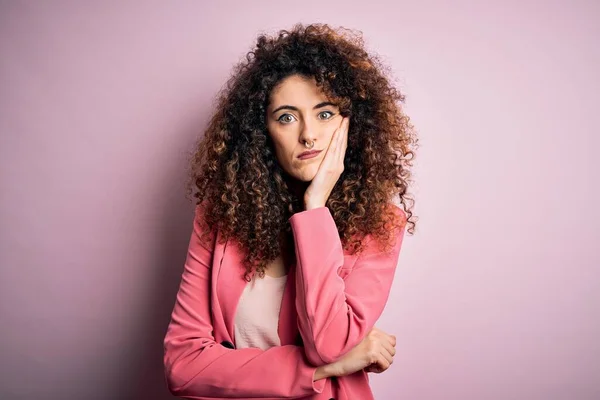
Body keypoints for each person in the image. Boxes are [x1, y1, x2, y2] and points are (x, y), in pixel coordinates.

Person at [163, 23, 418, 400]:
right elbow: (182, 366)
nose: (309, 135)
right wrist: (324, 370)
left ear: (353, 124)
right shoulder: (217, 219)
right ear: (261, 131)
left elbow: (327, 342)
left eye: (325, 114)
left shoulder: (378, 225)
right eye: (286, 117)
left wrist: (315, 208)